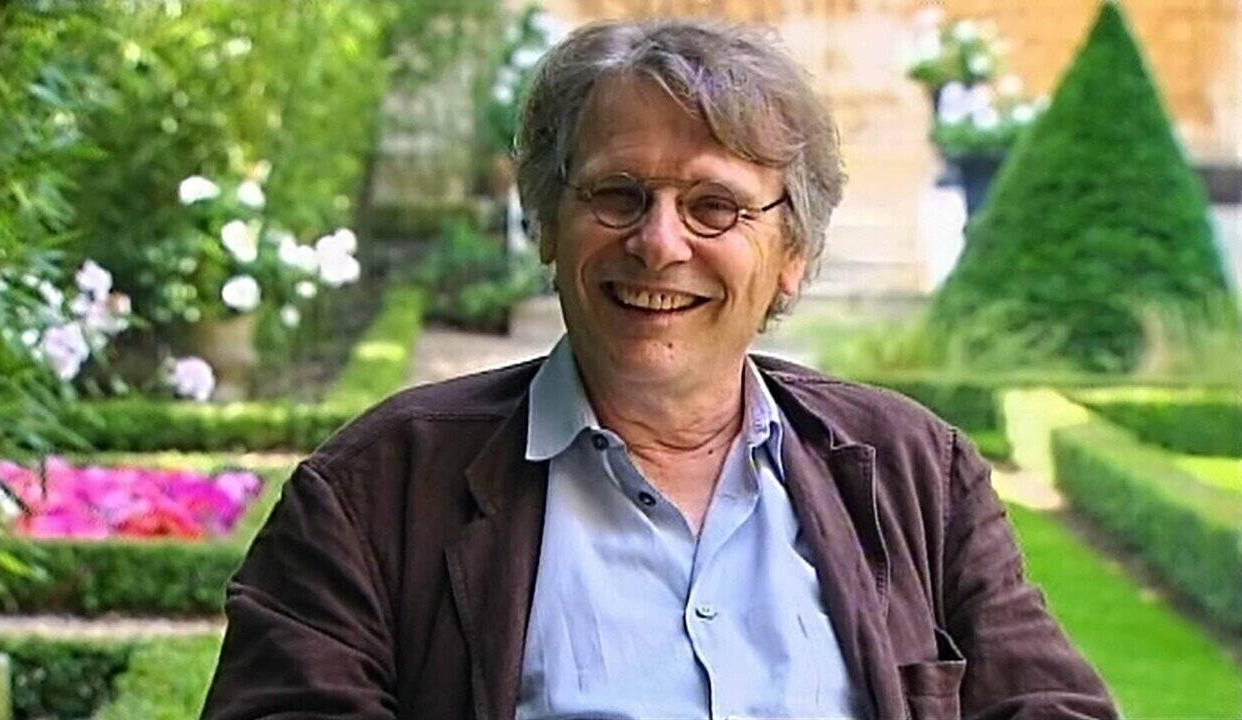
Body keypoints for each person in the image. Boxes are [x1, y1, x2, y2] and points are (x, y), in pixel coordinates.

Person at [201, 19, 1118, 720]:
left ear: (792, 255)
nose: (659, 242)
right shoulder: (376, 491)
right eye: (617, 194)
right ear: (548, 225)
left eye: (714, 206)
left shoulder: (918, 474)